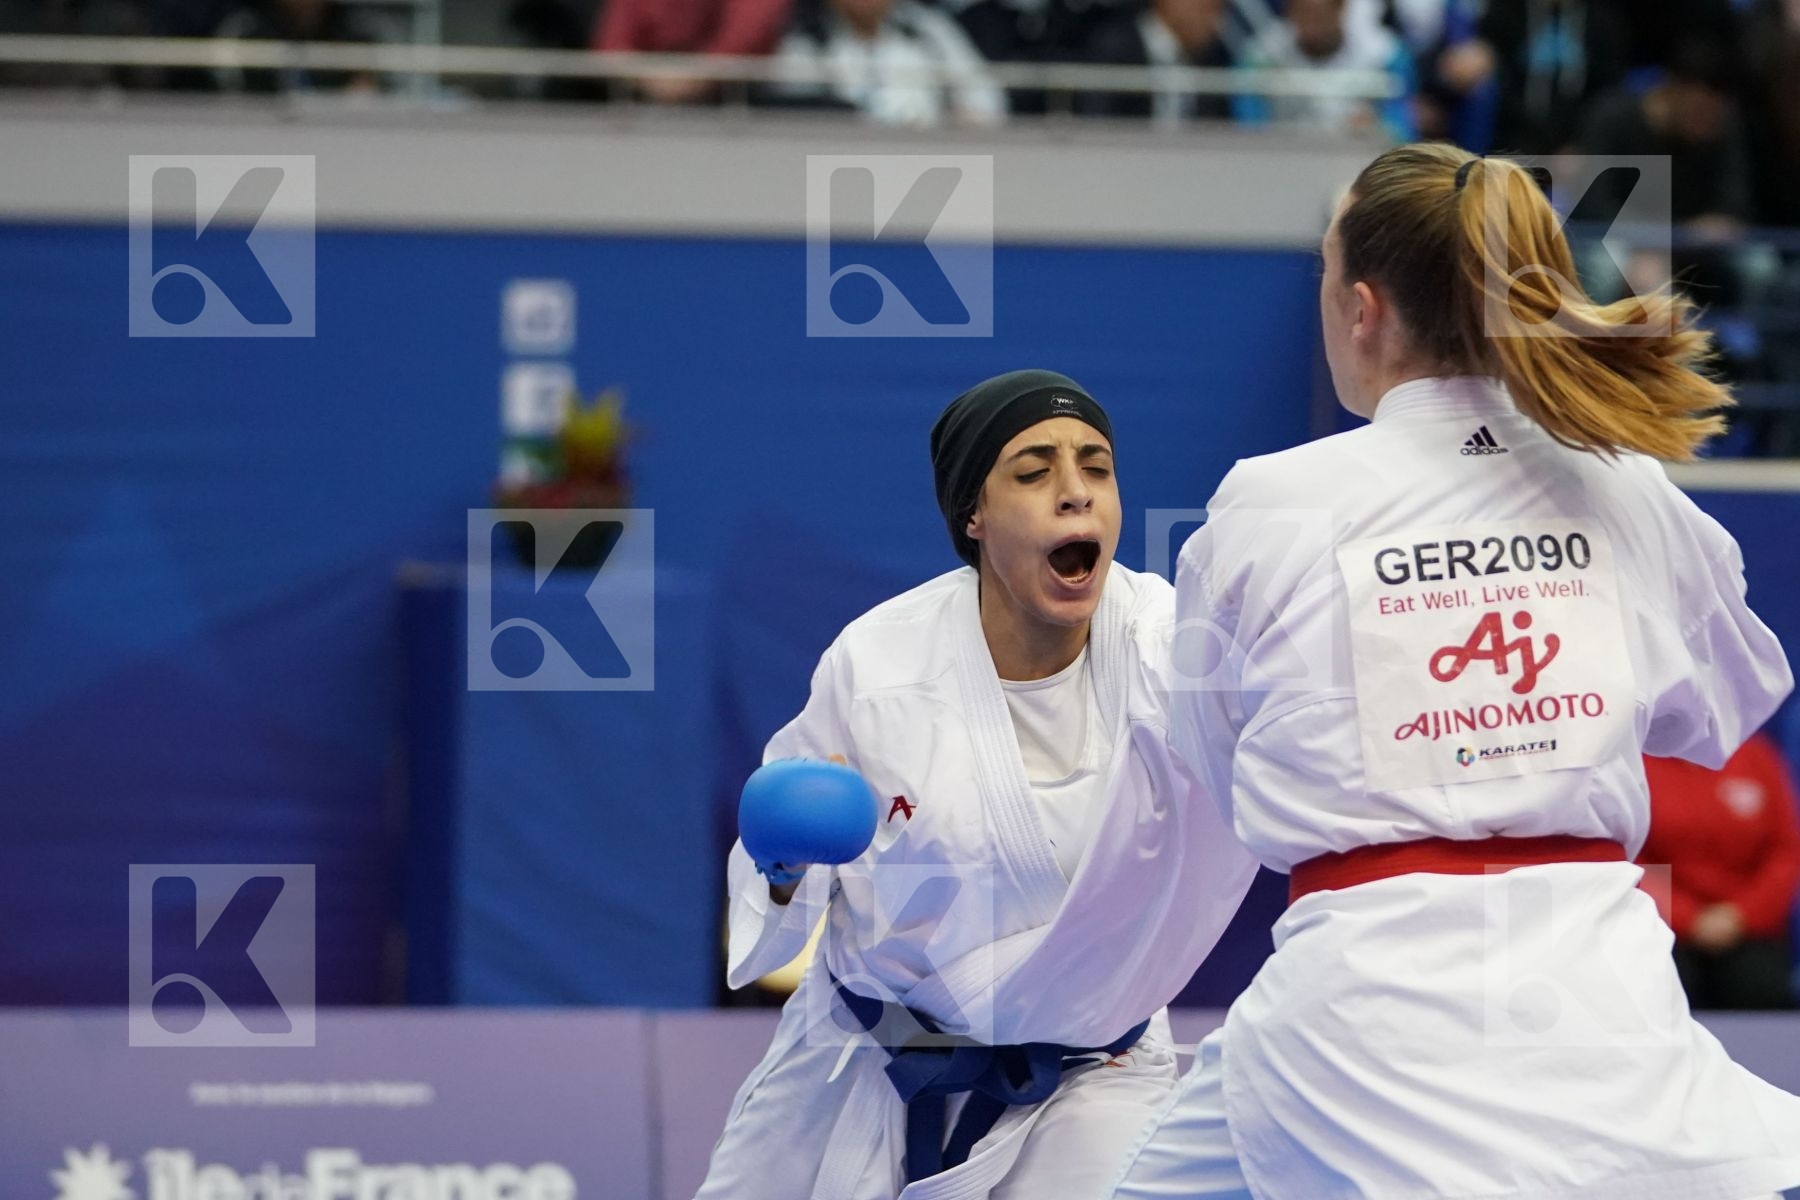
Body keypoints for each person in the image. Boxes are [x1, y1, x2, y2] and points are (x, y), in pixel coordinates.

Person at [1108, 143, 1800, 1199]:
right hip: (1581, 980)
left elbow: (1219, 758)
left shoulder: (1272, 497)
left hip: (1362, 998)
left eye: (1328, 278)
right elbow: (1726, 705)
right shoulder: (1623, 484)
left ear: (1364, 308)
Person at [696, 370, 1257, 1200]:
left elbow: (1297, 751)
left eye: (1096, 468)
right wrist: (783, 866)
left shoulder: (1176, 651)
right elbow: (783, 894)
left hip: (1092, 1074)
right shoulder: (880, 664)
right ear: (974, 515)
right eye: (1033, 472)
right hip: (870, 1057)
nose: (1076, 495)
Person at [1642, 730, 1800, 1011]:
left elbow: (1785, 851)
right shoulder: (1641, 762)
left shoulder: (1755, 756)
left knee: (1759, 985)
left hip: (1749, 930)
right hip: (1665, 929)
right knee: (1662, 985)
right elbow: (1632, 855)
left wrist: (1741, 915)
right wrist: (1689, 918)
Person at [770, 0, 1005, 126]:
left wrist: (947, 124)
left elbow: (988, 104)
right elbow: (795, 123)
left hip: (932, 163)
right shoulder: (807, 43)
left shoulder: (931, 32)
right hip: (841, 169)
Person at [1233, 0, 1416, 142]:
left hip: (1354, 157)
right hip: (1281, 155)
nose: (1311, 24)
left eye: (1319, 15)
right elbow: (1248, 123)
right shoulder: (1262, 56)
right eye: (1303, 13)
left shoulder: (1384, 54)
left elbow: (1402, 128)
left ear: (1341, 9)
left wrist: (1378, 127)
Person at [592, 0, 793, 104]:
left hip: (744, 100)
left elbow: (746, 36)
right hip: (644, 99)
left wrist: (693, 78)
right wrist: (653, 79)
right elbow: (611, 46)